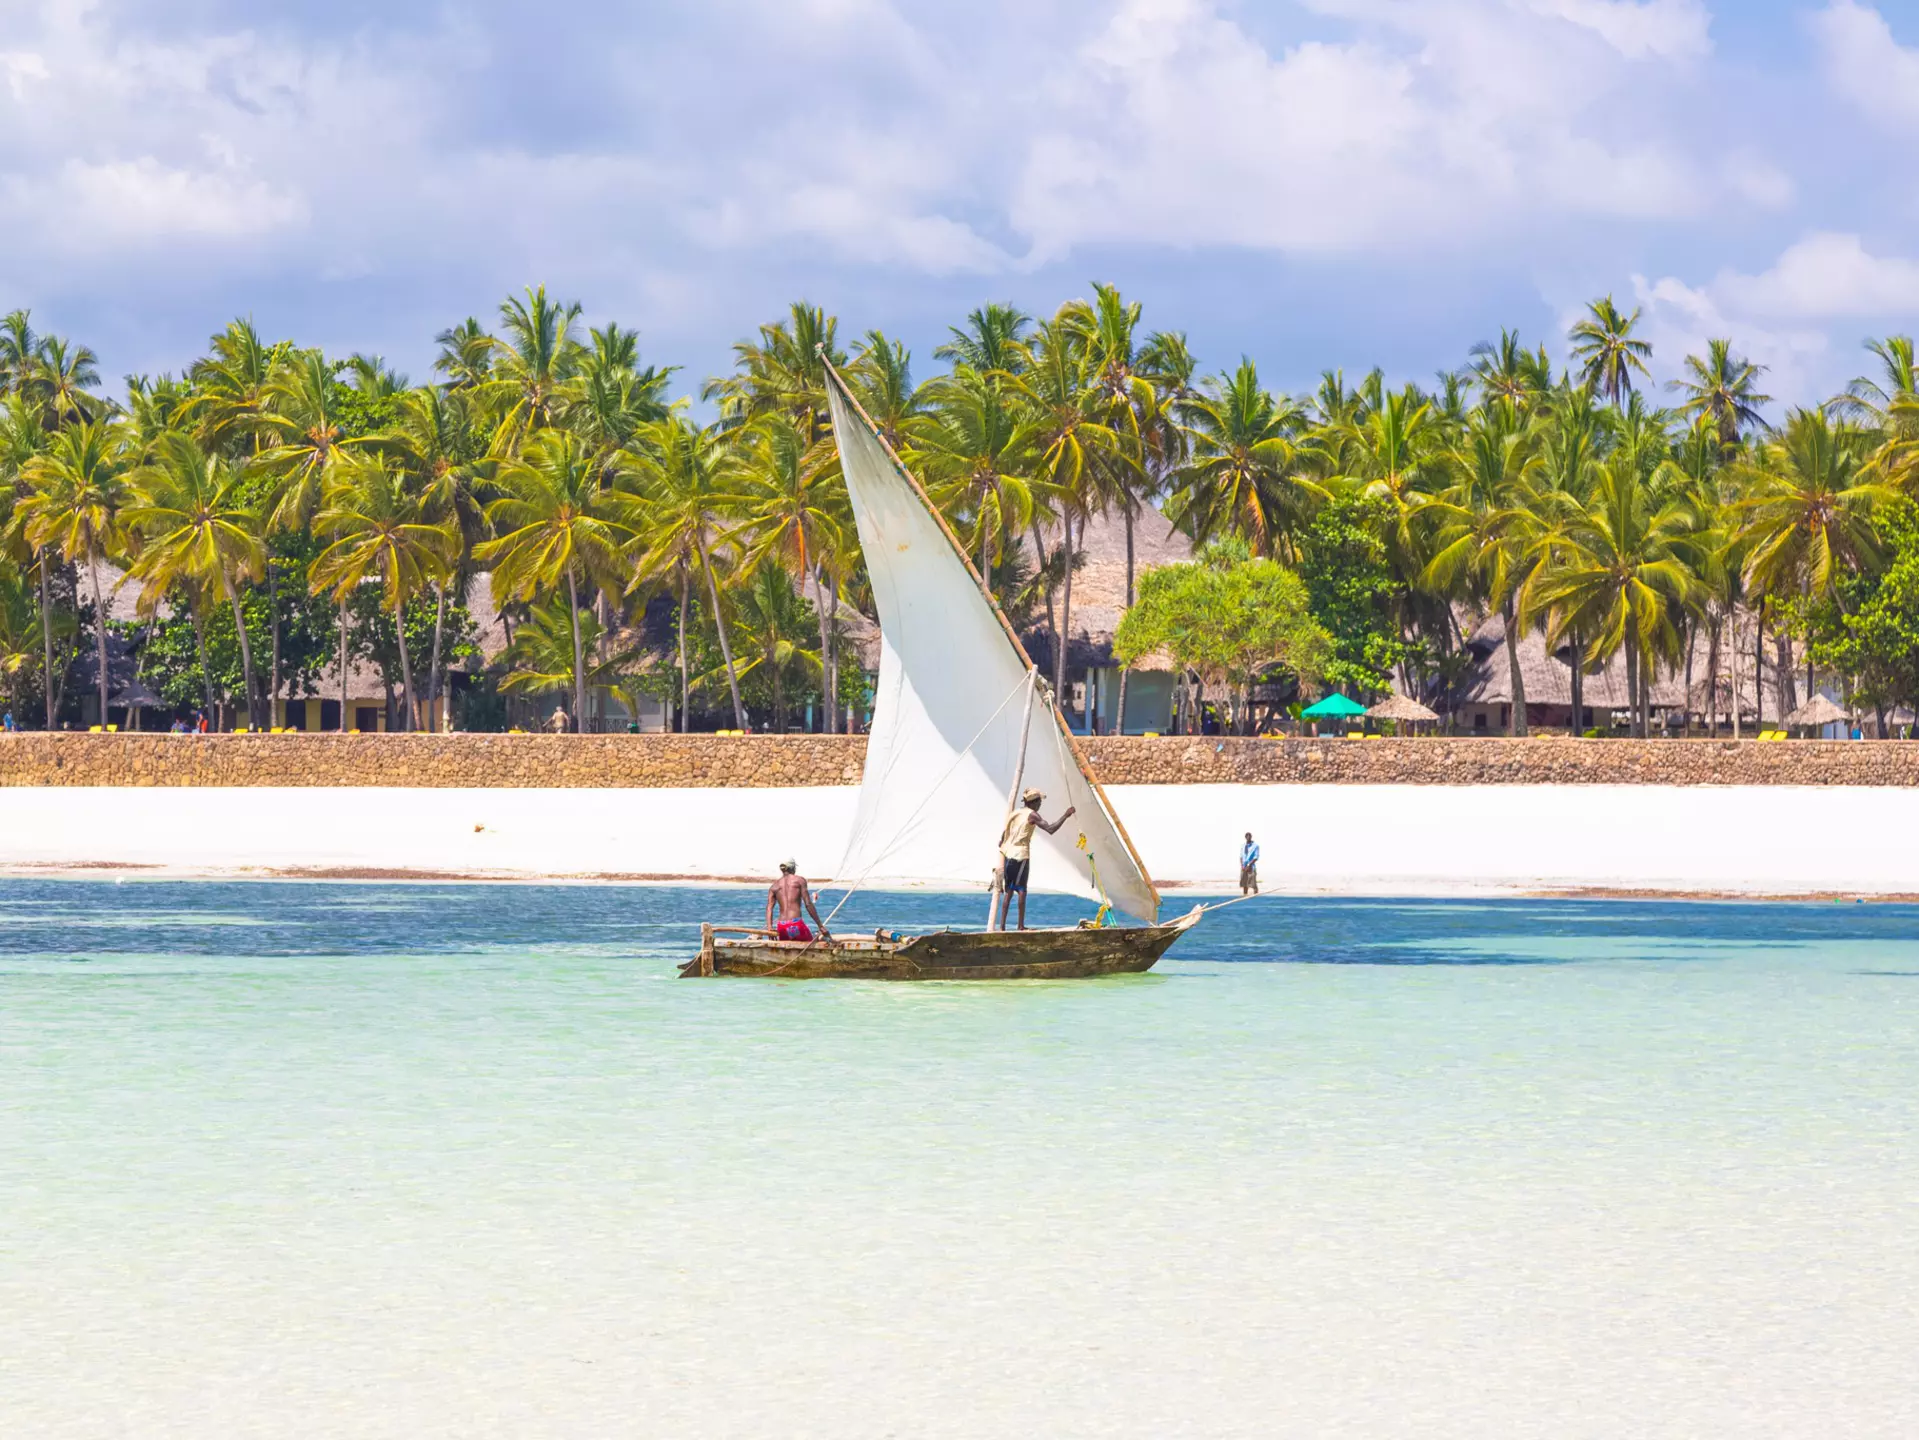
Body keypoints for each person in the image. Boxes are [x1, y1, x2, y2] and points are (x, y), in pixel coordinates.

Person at [996, 788, 1076, 931]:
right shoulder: (1032, 815)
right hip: (1020, 855)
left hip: (1008, 854)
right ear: (1034, 803)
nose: (1040, 805)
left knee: (1009, 890)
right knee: (1021, 890)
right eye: (1039, 802)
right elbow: (1051, 829)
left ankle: (1002, 927)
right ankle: (1020, 926)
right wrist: (1066, 815)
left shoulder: (1015, 813)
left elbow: (1004, 835)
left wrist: (1004, 843)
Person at [766, 859, 831, 943]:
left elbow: (769, 908)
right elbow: (808, 904)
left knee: (788, 948)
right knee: (813, 943)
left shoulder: (774, 886)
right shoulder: (799, 880)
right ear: (792, 868)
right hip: (794, 925)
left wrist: (769, 928)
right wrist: (820, 926)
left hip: (781, 926)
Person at [1240, 831, 1260, 896]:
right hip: (1244, 866)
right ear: (1245, 837)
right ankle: (1245, 894)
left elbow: (1256, 857)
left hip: (1251, 866)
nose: (1248, 838)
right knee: (1244, 881)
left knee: (1252, 881)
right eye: (1247, 836)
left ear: (1251, 837)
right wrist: (1242, 865)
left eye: (1249, 836)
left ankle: (1256, 894)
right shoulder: (1243, 845)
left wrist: (1249, 865)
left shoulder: (1255, 846)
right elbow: (1241, 856)